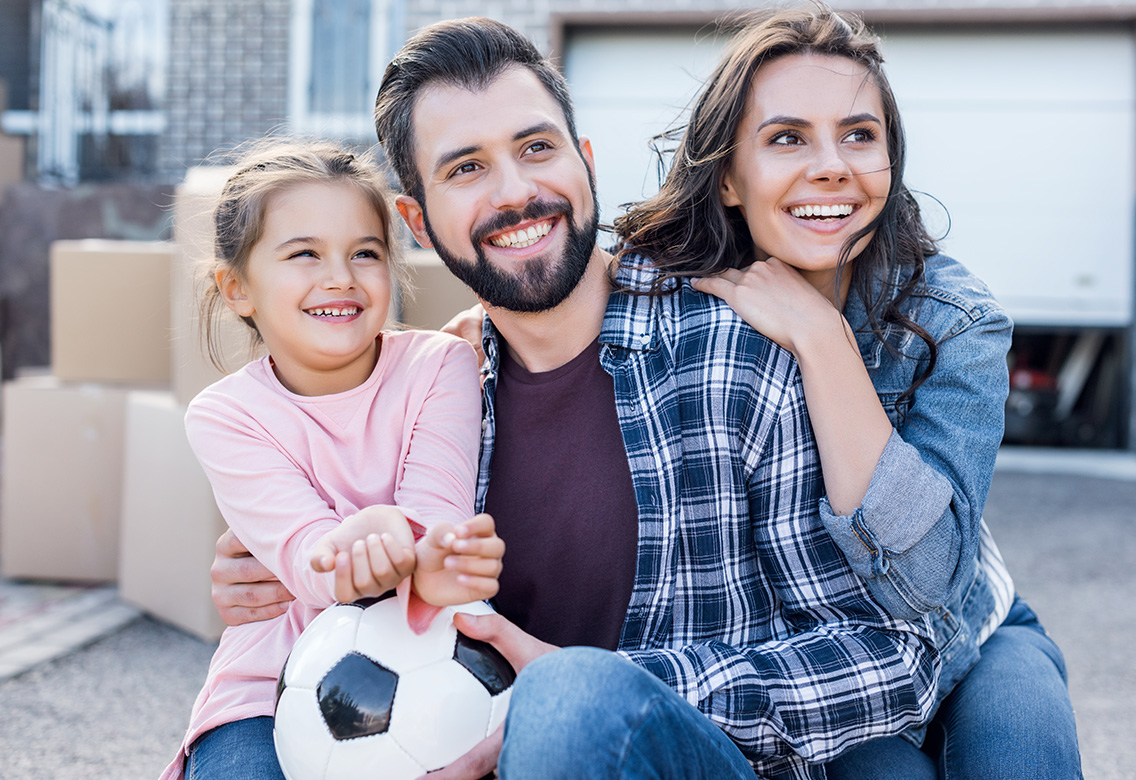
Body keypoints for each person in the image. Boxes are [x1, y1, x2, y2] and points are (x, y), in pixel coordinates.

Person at [210, 17, 939, 780]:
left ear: (584, 162)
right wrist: (271, 561)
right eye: (466, 169)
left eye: (536, 148)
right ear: (418, 222)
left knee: (573, 699)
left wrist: (580, 689)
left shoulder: (729, 356)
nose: (518, 191)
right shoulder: (429, 395)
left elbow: (886, 653)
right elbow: (330, 542)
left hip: (700, 759)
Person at [615, 6, 1082, 778]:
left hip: (967, 627)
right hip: (831, 665)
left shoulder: (954, 320)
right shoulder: (679, 302)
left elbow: (928, 583)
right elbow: (567, 301)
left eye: (859, 135)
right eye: (788, 137)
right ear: (728, 176)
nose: (832, 165)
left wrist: (823, 340)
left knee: (1027, 752)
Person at [160, 139, 504, 780]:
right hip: (266, 690)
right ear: (237, 289)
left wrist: (408, 538)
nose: (340, 277)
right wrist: (372, 540)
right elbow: (306, 555)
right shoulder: (226, 416)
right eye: (304, 254)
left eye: (365, 254)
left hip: (428, 669)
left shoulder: (440, 366)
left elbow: (438, 514)